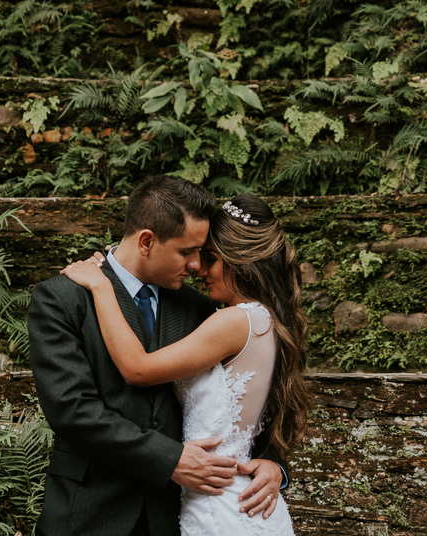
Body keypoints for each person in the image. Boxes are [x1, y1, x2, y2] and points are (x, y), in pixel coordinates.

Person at [28, 178, 286, 536]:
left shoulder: (202, 308)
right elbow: (72, 409)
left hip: (173, 517)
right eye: (187, 251)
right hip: (89, 513)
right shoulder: (64, 298)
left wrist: (272, 463)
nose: (196, 265)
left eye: (203, 253)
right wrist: (169, 459)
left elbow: (251, 391)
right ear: (147, 241)